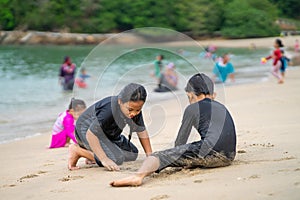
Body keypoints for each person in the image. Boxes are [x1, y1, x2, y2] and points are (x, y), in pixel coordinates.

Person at [110, 73, 236, 187]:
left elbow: (180, 142)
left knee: (157, 156)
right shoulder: (222, 107)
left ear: (191, 94)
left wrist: (173, 157)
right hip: (229, 156)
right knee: (197, 148)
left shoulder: (192, 108)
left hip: (213, 153)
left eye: (188, 97)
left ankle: (138, 177)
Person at [68, 83, 153, 171]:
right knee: (115, 159)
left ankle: (92, 153)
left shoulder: (134, 110)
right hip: (86, 130)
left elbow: (142, 131)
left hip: (109, 134)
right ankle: (77, 151)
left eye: (138, 110)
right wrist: (104, 159)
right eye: (130, 109)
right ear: (120, 101)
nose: (134, 113)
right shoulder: (109, 109)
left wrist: (149, 155)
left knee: (132, 153)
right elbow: (91, 134)